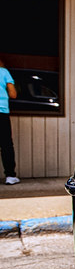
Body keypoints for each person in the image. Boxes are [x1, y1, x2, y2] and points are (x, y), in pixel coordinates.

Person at [0, 57, 18, 185]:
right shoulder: (4, 72)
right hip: (2, 112)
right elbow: (13, 94)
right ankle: (10, 176)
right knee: (6, 144)